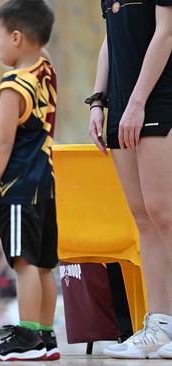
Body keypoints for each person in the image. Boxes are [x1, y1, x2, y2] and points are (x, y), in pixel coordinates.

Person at [88, 0, 172, 360]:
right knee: (143, 216)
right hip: (122, 105)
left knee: (164, 212)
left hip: (157, 97)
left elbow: (166, 33)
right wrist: (98, 101)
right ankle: (161, 325)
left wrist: (139, 102)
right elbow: (111, 38)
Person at [0, 0, 58, 361]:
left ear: (17, 37)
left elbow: (4, 141)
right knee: (42, 266)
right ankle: (45, 335)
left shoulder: (12, 87)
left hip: (17, 188)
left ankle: (26, 338)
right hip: (46, 185)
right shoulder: (47, 71)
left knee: (23, 263)